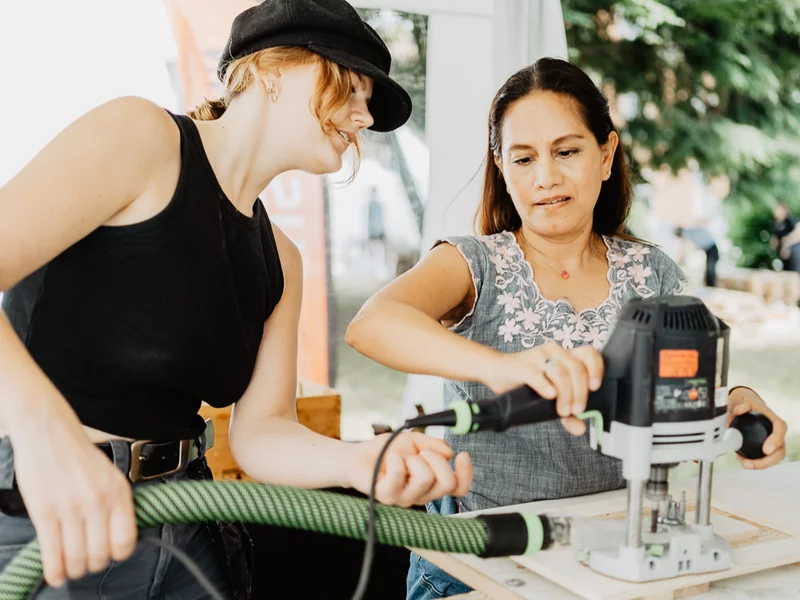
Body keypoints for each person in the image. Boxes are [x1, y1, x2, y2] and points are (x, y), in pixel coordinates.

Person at [0, 1, 472, 597]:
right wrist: (43, 433)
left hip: (182, 524)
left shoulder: (283, 261)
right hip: (43, 514)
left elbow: (262, 434)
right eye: (351, 86)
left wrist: (361, 461)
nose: (363, 115)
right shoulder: (141, 137)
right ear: (271, 69)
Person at [345, 58, 788, 599]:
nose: (546, 178)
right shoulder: (473, 264)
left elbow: (682, 387)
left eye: (567, 151)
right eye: (524, 158)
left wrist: (735, 399)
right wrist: (505, 368)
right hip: (480, 554)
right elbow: (372, 324)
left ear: (606, 155)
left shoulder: (652, 273)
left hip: (612, 549)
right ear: (502, 169)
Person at [771, 200, 800, 273]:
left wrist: (786, 242)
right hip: (782, 252)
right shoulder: (776, 223)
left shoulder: (790, 220)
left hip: (793, 249)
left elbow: (798, 231)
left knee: (794, 272)